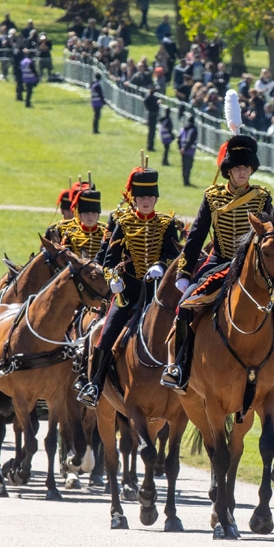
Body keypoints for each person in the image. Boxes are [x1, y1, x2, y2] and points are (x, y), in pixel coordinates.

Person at [162, 136, 274, 393]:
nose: (242, 172)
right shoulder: (213, 197)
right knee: (186, 304)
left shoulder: (261, 198)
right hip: (219, 261)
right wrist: (184, 269)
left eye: (246, 168)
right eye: (237, 167)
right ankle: (180, 366)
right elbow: (197, 235)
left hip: (253, 267)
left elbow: (272, 233)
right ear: (228, 170)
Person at [77, 168, 180, 407]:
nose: (146, 201)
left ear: (155, 199)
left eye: (150, 198)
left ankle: (182, 375)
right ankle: (95, 384)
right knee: (106, 334)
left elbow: (174, 254)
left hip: (157, 292)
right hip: (128, 292)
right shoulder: (123, 223)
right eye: (141, 198)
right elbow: (110, 259)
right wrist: (113, 277)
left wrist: (161, 266)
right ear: (135, 199)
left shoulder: (166, 224)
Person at [58, 188, 105, 257]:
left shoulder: (106, 234)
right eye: (86, 214)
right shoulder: (70, 234)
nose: (90, 217)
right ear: (79, 216)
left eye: (93, 213)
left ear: (98, 216)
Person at [178, 114, 198, 187]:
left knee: (184, 166)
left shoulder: (183, 128)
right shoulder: (194, 129)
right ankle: (187, 181)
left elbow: (179, 139)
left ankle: (184, 180)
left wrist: (181, 148)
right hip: (190, 151)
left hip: (183, 151)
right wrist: (185, 148)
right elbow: (191, 141)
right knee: (188, 166)